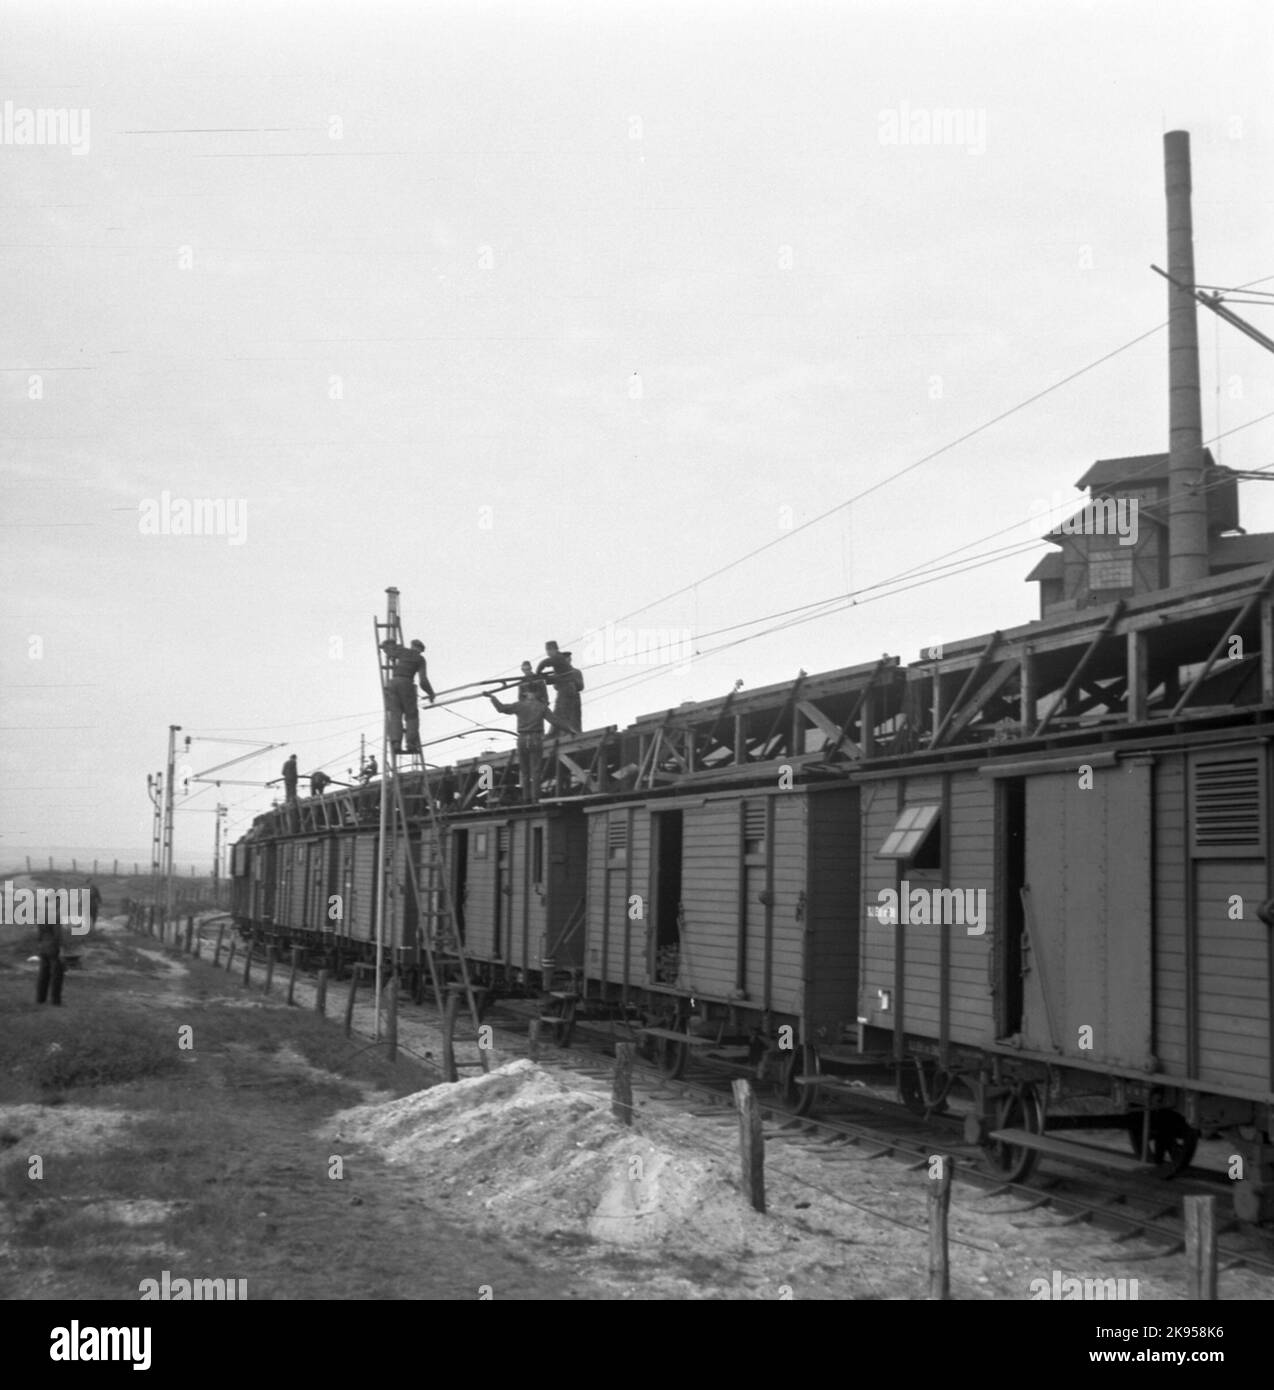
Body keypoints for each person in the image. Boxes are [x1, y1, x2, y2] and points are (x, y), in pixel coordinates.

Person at [487, 689, 569, 804]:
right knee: (535, 770)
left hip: (522, 739)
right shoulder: (541, 707)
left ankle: (526, 798)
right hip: (536, 739)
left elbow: (501, 708)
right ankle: (536, 798)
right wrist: (570, 730)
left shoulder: (519, 706)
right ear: (536, 695)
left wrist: (492, 697)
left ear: (526, 695)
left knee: (524, 771)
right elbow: (555, 721)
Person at [381, 637, 435, 755]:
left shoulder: (403, 651)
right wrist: (431, 693)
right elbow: (423, 681)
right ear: (420, 650)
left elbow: (388, 650)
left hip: (392, 683)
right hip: (406, 684)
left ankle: (396, 743)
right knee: (411, 716)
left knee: (395, 715)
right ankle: (410, 744)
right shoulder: (420, 659)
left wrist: (389, 643)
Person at [536, 642, 585, 733]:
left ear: (553, 649)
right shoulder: (560, 667)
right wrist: (545, 679)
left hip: (567, 691)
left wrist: (538, 672)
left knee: (563, 713)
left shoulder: (558, 658)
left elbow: (545, 663)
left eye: (549, 650)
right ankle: (560, 732)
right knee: (560, 712)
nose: (548, 653)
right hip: (564, 691)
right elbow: (555, 682)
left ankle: (563, 732)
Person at [36, 899, 65, 1006]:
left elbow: (39, 934)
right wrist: (62, 950)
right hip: (53, 948)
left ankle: (40, 999)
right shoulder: (56, 915)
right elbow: (58, 936)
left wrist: (40, 946)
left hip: (43, 947)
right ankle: (56, 1001)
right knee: (57, 975)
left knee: (43, 974)